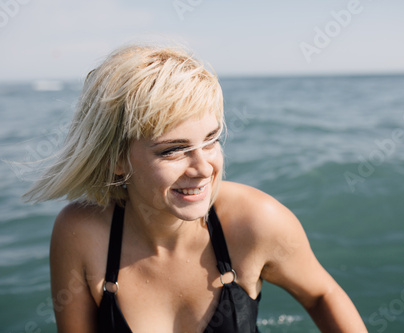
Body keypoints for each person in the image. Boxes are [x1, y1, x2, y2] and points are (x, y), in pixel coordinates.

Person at [24, 44, 367, 333]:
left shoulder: (255, 221)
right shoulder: (81, 233)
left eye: (211, 140)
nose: (204, 168)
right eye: (173, 150)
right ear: (116, 158)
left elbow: (322, 294)